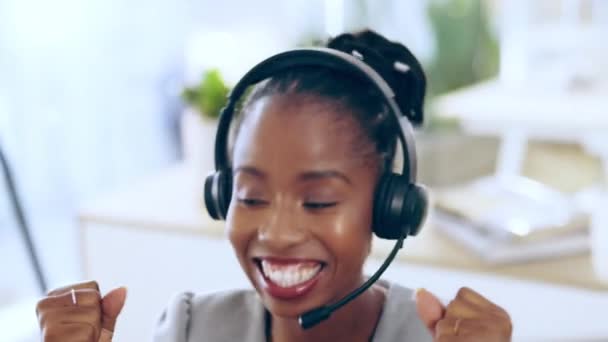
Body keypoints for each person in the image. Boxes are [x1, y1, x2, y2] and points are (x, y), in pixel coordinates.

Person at [35, 30, 512, 342]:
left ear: (390, 208)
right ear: (222, 198)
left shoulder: (436, 336)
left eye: (319, 200)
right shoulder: (190, 328)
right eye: (250, 197)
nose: (278, 233)